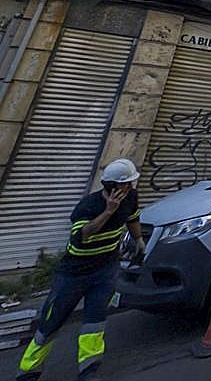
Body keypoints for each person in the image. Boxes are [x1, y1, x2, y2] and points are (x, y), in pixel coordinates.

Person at [17, 158, 144, 381]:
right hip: (73, 274)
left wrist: (138, 240)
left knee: (95, 323)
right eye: (128, 183)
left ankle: (88, 371)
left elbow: (133, 217)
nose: (132, 186)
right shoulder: (88, 206)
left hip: (105, 270)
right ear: (115, 186)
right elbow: (81, 238)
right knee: (51, 322)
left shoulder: (130, 198)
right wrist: (108, 212)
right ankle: (29, 371)